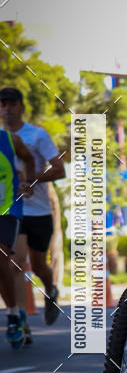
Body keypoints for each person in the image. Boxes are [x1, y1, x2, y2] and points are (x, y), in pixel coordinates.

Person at [0, 88, 65, 333]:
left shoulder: (37, 135)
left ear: (21, 107)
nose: (7, 109)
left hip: (39, 211)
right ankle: (20, 322)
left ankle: (50, 289)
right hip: (12, 210)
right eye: (3, 104)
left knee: (38, 266)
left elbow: (60, 170)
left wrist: (31, 181)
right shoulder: (0, 136)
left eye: (12, 104)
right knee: (15, 262)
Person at [0, 126, 35, 347]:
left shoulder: (9, 139)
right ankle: (14, 311)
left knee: (1, 256)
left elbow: (29, 159)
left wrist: (28, 181)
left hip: (7, 209)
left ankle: (13, 315)